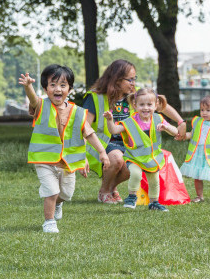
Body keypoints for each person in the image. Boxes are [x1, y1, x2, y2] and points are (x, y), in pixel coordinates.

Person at [19, 65, 110, 233]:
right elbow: (32, 99)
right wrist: (28, 86)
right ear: (45, 89)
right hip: (44, 159)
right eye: (52, 85)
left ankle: (58, 203)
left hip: (67, 162)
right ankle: (49, 221)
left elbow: (89, 134)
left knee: (66, 194)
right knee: (51, 191)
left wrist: (102, 153)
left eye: (62, 85)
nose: (57, 89)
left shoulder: (78, 112)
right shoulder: (41, 106)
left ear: (70, 89)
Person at [83, 59, 187, 204]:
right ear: (117, 79)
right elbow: (85, 126)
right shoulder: (95, 96)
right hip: (103, 142)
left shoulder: (136, 94)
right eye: (129, 79)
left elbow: (161, 105)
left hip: (129, 142)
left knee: (134, 161)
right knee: (117, 158)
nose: (133, 83)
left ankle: (112, 187)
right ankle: (104, 191)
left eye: (134, 79)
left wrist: (181, 122)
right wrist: (81, 153)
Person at [103, 88, 178, 212]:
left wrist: (167, 128)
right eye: (142, 104)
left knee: (154, 181)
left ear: (156, 105)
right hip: (134, 158)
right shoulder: (130, 121)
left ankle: (154, 203)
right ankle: (132, 197)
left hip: (151, 158)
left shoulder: (159, 119)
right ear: (135, 105)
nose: (145, 108)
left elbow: (175, 132)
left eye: (149, 104)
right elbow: (114, 131)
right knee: (136, 174)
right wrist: (110, 120)